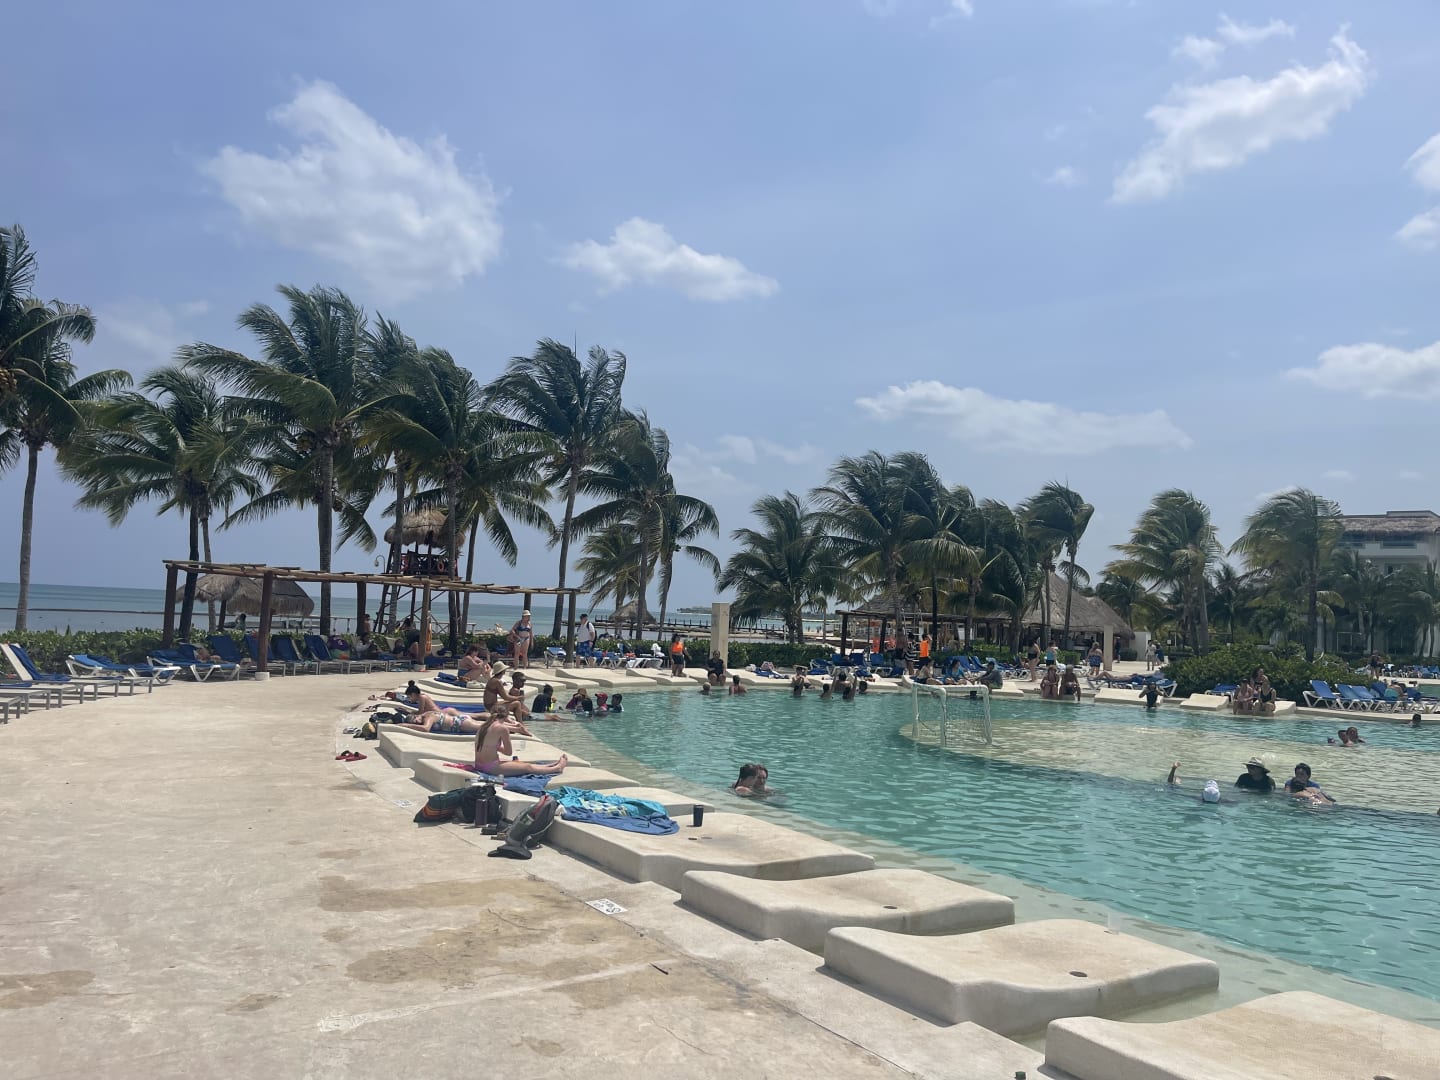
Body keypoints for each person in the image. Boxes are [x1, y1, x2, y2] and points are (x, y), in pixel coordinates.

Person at [474, 714, 568, 777]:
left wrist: (495, 747)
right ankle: (557, 768)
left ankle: (549, 765)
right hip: (490, 767)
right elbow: (508, 752)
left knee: (519, 764)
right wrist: (498, 747)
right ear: (505, 717)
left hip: (479, 764)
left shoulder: (483, 726)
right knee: (527, 767)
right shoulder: (502, 728)